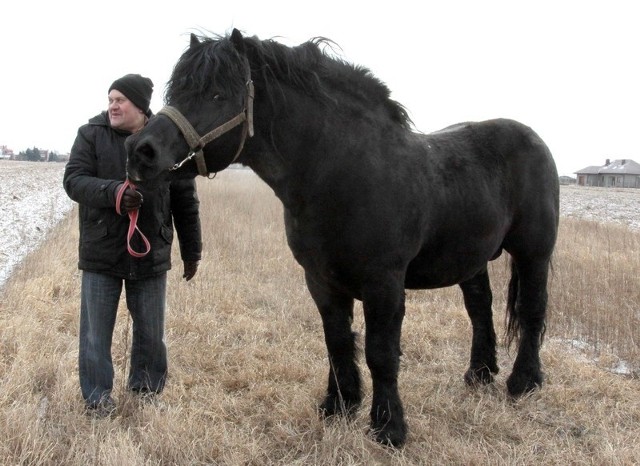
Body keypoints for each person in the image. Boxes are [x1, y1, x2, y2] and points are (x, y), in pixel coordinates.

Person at [63, 73, 202, 417]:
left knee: (151, 334)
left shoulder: (167, 140)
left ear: (140, 107)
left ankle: (146, 394)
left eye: (120, 100)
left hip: (151, 252)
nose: (112, 105)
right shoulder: (90, 135)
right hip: (101, 252)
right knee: (95, 336)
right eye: (110, 99)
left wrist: (192, 251)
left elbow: (185, 200)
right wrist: (114, 193)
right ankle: (97, 400)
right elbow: (74, 181)